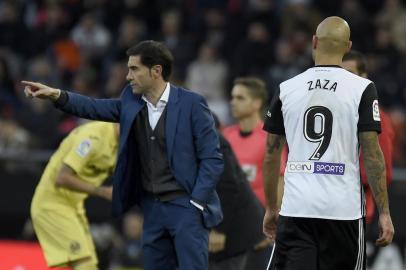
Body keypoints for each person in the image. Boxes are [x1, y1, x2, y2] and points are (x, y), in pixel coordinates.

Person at [23, 40, 224, 270]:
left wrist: (197, 203)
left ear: (156, 71)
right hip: (153, 209)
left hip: (185, 206)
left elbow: (212, 159)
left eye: (134, 69)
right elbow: (93, 107)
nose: (128, 76)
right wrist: (56, 95)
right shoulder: (131, 101)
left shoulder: (192, 104)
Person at [262, 16, 394, 270]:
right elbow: (372, 153)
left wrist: (270, 207)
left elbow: (270, 154)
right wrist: (385, 212)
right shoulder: (363, 89)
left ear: (313, 42)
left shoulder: (287, 88)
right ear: (348, 46)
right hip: (343, 210)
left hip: (297, 208)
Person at [30, 121, 118, 270]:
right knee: (84, 264)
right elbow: (62, 178)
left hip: (74, 206)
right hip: (52, 204)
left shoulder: (127, 144)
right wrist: (102, 191)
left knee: (81, 264)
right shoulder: (92, 137)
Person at [222, 77, 284, 270]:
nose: (233, 102)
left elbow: (280, 182)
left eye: (240, 98)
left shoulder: (269, 138)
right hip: (228, 225)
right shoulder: (226, 136)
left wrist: (274, 225)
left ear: (257, 103)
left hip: (259, 226)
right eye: (232, 97)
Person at [342, 50, 395, 225]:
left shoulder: (377, 117)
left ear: (364, 76)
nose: (345, 79)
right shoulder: (336, 111)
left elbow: (382, 166)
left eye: (350, 73)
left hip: (356, 204)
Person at [209, 114, 264, 270]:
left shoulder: (214, 141)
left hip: (237, 228)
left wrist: (219, 229)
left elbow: (228, 188)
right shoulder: (227, 134)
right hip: (223, 224)